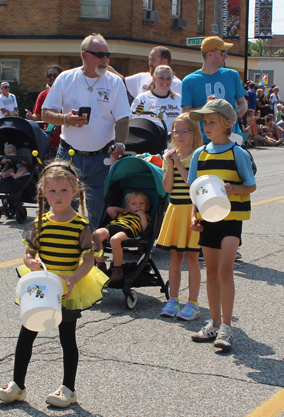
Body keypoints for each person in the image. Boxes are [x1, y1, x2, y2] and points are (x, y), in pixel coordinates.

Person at [0, 161, 109, 408]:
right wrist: (31, 261)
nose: (58, 196)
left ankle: (68, 389)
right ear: (43, 192)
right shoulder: (40, 223)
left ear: (76, 190)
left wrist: (74, 279)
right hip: (41, 285)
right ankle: (17, 386)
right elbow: (28, 253)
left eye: (64, 190)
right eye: (52, 191)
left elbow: (89, 260)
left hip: (66, 286)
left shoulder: (81, 226)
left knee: (67, 338)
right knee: (27, 332)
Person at [42, 33, 131, 228]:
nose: (105, 60)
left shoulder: (114, 82)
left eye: (108, 55)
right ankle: (63, 254)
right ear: (84, 55)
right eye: (100, 55)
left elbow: (123, 118)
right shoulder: (66, 78)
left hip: (102, 157)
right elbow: (46, 113)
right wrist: (66, 119)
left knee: (97, 213)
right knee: (62, 210)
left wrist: (120, 143)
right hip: (69, 155)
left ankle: (93, 256)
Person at [187, 99, 256, 350]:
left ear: (228, 123)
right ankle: (213, 323)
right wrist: (193, 216)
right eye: (204, 122)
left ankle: (227, 327)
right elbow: (195, 190)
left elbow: (251, 185)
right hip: (207, 221)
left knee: (225, 271)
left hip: (231, 220)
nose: (206, 126)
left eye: (211, 122)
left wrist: (233, 188)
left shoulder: (238, 152)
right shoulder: (199, 153)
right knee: (212, 272)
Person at [156, 113, 203, 320]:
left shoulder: (198, 155)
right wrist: (171, 164)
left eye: (185, 131)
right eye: (176, 131)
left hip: (191, 210)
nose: (180, 135)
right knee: (175, 257)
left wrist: (180, 165)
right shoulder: (170, 155)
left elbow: (192, 184)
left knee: (192, 258)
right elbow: (167, 187)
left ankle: (193, 303)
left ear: (194, 133)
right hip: (175, 209)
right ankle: (172, 299)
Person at [181, 36, 247, 145]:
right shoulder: (189, 81)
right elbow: (185, 113)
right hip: (204, 142)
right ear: (210, 54)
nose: (227, 56)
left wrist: (236, 112)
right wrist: (206, 107)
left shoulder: (233, 75)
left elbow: (243, 104)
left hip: (233, 140)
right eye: (223, 52)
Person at [94, 190, 151, 282]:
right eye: (134, 203)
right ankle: (100, 264)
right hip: (112, 226)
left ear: (147, 207)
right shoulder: (123, 214)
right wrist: (126, 210)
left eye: (142, 203)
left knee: (115, 240)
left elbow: (146, 231)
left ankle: (117, 269)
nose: (138, 206)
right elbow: (110, 209)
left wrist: (143, 216)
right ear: (128, 207)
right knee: (95, 235)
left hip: (128, 230)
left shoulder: (145, 217)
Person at [25, 65, 64, 162]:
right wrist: (30, 117)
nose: (51, 78)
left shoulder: (69, 93)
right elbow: (37, 117)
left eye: (55, 75)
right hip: (49, 140)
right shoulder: (43, 95)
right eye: (49, 75)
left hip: (66, 141)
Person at [131, 65, 181, 132]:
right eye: (161, 78)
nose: (165, 81)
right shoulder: (142, 98)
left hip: (172, 141)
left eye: (168, 78)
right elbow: (133, 122)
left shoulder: (178, 99)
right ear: (154, 79)